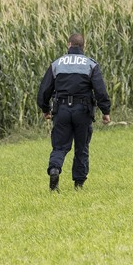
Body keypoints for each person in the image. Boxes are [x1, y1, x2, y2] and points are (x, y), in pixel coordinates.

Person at [37, 33, 111, 192]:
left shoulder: (57, 63)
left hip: (62, 110)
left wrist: (45, 109)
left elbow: (44, 90)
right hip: (83, 111)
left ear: (69, 44)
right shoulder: (90, 64)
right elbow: (100, 90)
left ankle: (55, 169)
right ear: (83, 46)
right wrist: (105, 111)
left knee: (60, 146)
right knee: (81, 147)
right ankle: (79, 183)